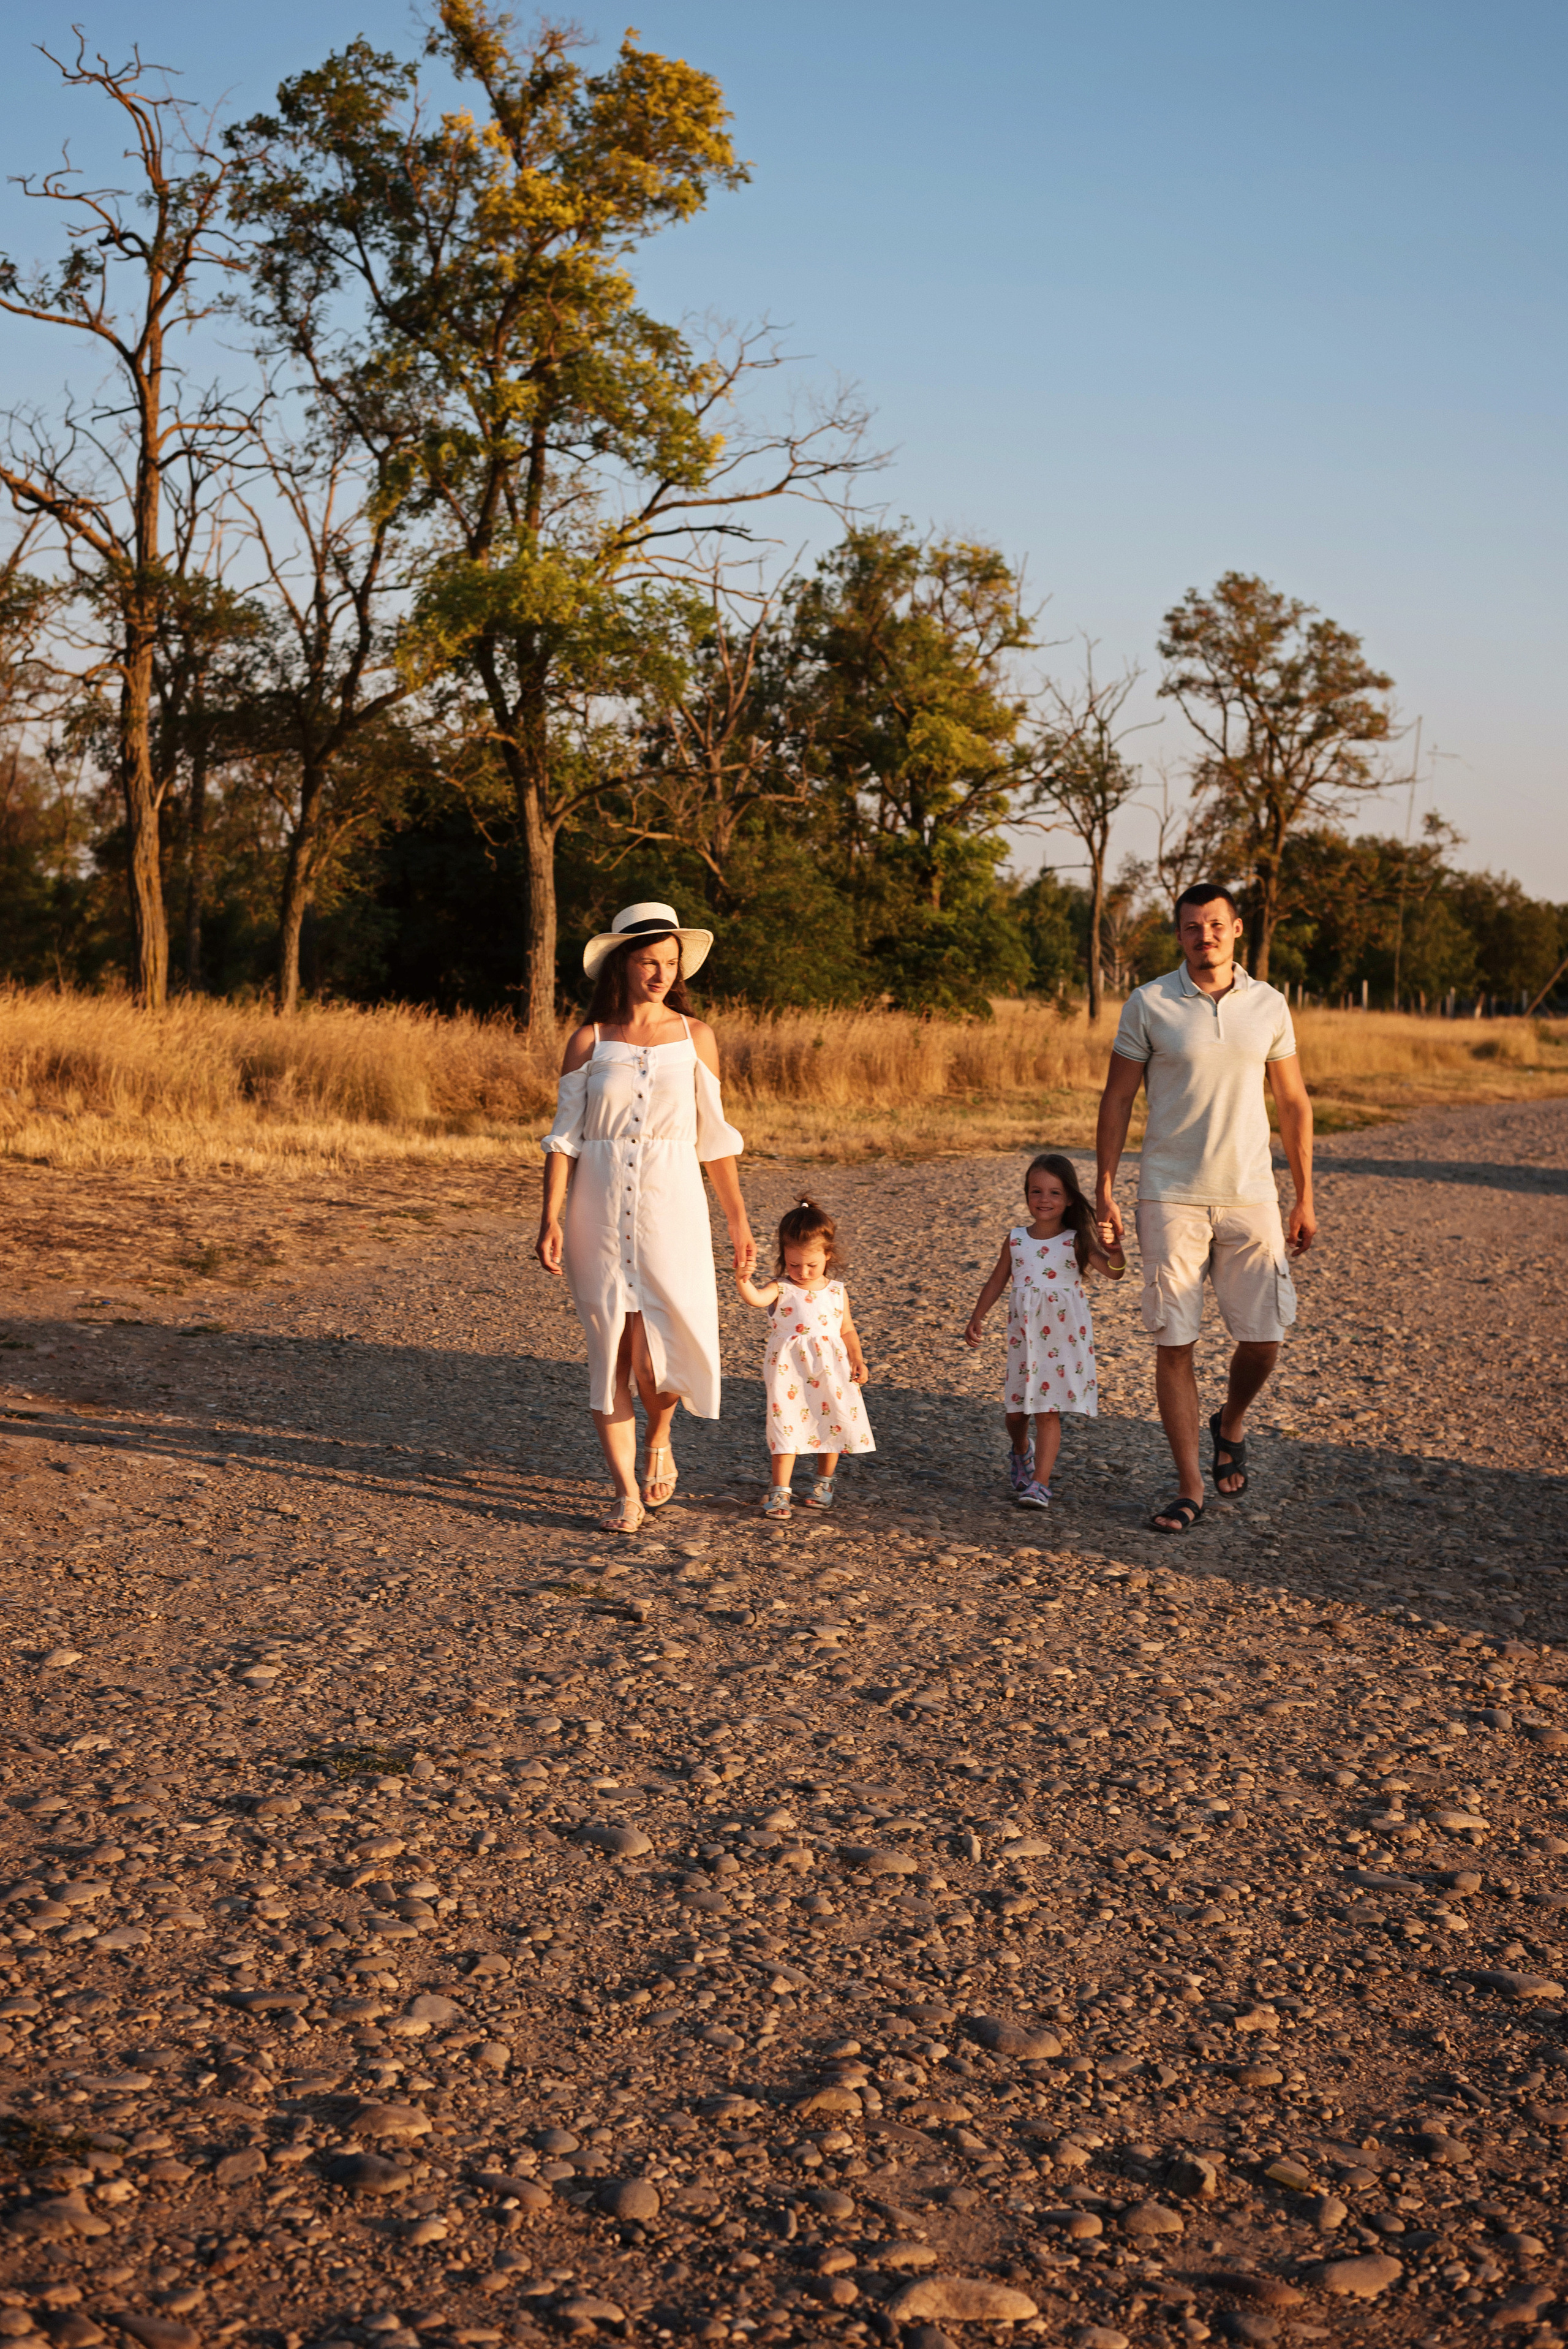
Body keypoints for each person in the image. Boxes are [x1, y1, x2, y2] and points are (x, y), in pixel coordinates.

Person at [1094, 882, 1315, 1534]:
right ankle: (1189, 1484)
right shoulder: (1149, 1003)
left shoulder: (1269, 1005)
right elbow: (1116, 1100)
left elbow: (1294, 1103)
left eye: (1215, 925)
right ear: (1179, 935)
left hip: (1251, 1193)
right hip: (1169, 1194)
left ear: (1236, 929)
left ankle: (1233, 1420)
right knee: (1175, 1340)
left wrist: (1304, 1195)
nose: (1204, 936)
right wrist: (1105, 1186)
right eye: (1191, 927)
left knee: (1265, 1336)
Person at [537, 901, 756, 1535]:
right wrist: (549, 1218)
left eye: (670, 963)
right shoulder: (589, 1040)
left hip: (672, 1207)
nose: (660, 974)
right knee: (610, 1352)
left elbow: (714, 1140)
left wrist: (738, 1222)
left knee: (656, 1361)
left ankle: (660, 1434)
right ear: (621, 965)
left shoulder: (696, 1038)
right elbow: (564, 1140)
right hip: (596, 1213)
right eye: (648, 962)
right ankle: (626, 1493)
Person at [964, 1151, 1125, 1508]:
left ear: (1069, 1199)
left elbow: (1114, 1272)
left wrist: (1115, 1250)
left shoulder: (1075, 1240)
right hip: (1025, 1338)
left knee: (1046, 1410)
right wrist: (978, 1315)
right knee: (1015, 1414)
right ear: (1026, 1194)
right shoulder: (1017, 1238)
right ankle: (1021, 1450)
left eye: (1054, 1193)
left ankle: (1040, 1483)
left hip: (1062, 1338)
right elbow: (997, 1279)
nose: (1044, 1200)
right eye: (1036, 1191)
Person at [735, 1197, 873, 1519]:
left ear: (828, 1255)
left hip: (831, 1368)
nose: (802, 1271)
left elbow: (848, 1329)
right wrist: (743, 1280)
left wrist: (858, 1359)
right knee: (786, 1422)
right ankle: (779, 1490)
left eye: (811, 1265)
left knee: (833, 1420)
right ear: (784, 1256)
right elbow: (756, 1299)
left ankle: (823, 1483)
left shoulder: (837, 1291)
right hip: (789, 1371)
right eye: (794, 1264)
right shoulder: (781, 1287)